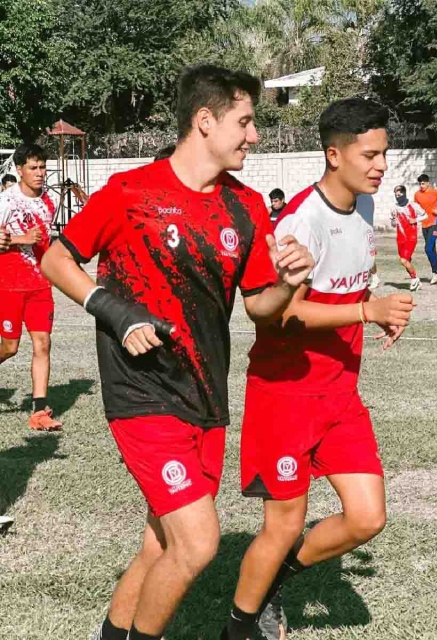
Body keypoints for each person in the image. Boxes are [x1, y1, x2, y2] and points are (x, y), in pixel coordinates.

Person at [41, 64, 314, 640]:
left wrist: (289, 281)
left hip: (206, 398)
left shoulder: (246, 207)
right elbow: (56, 260)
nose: (254, 136)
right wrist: (115, 311)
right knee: (197, 542)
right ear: (205, 120)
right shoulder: (129, 192)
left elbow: (262, 307)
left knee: (160, 544)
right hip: (141, 394)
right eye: (245, 122)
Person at [221, 98, 416, 640]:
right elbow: (277, 317)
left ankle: (270, 583)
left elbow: (349, 285)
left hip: (340, 397)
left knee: (366, 518)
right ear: (334, 154)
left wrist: (375, 312)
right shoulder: (301, 221)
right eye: (370, 154)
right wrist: (364, 310)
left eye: (384, 155)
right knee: (281, 527)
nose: (380, 165)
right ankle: (240, 625)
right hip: (285, 398)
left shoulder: (365, 208)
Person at [0, 143, 62, 431]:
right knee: (10, 348)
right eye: (34, 168)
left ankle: (39, 411)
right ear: (19, 170)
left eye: (43, 167)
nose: (40, 173)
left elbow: (48, 243)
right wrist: (19, 239)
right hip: (9, 285)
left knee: (43, 344)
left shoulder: (49, 201)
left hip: (40, 286)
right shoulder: (6, 201)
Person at [390, 184, 426, 290]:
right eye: (396, 194)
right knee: (406, 261)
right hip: (400, 238)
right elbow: (393, 224)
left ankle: (415, 279)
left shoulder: (413, 205)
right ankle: (415, 280)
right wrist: (393, 221)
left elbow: (425, 215)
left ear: (404, 193)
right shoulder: (394, 208)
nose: (398, 196)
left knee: (404, 260)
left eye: (400, 194)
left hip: (411, 238)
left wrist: (415, 220)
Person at [414, 173, 437, 284]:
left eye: (423, 183)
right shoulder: (417, 194)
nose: (421, 185)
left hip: (435, 223)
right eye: (420, 184)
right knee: (432, 250)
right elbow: (416, 208)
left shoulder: (435, 192)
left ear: (428, 183)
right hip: (424, 225)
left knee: (428, 249)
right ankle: (435, 273)